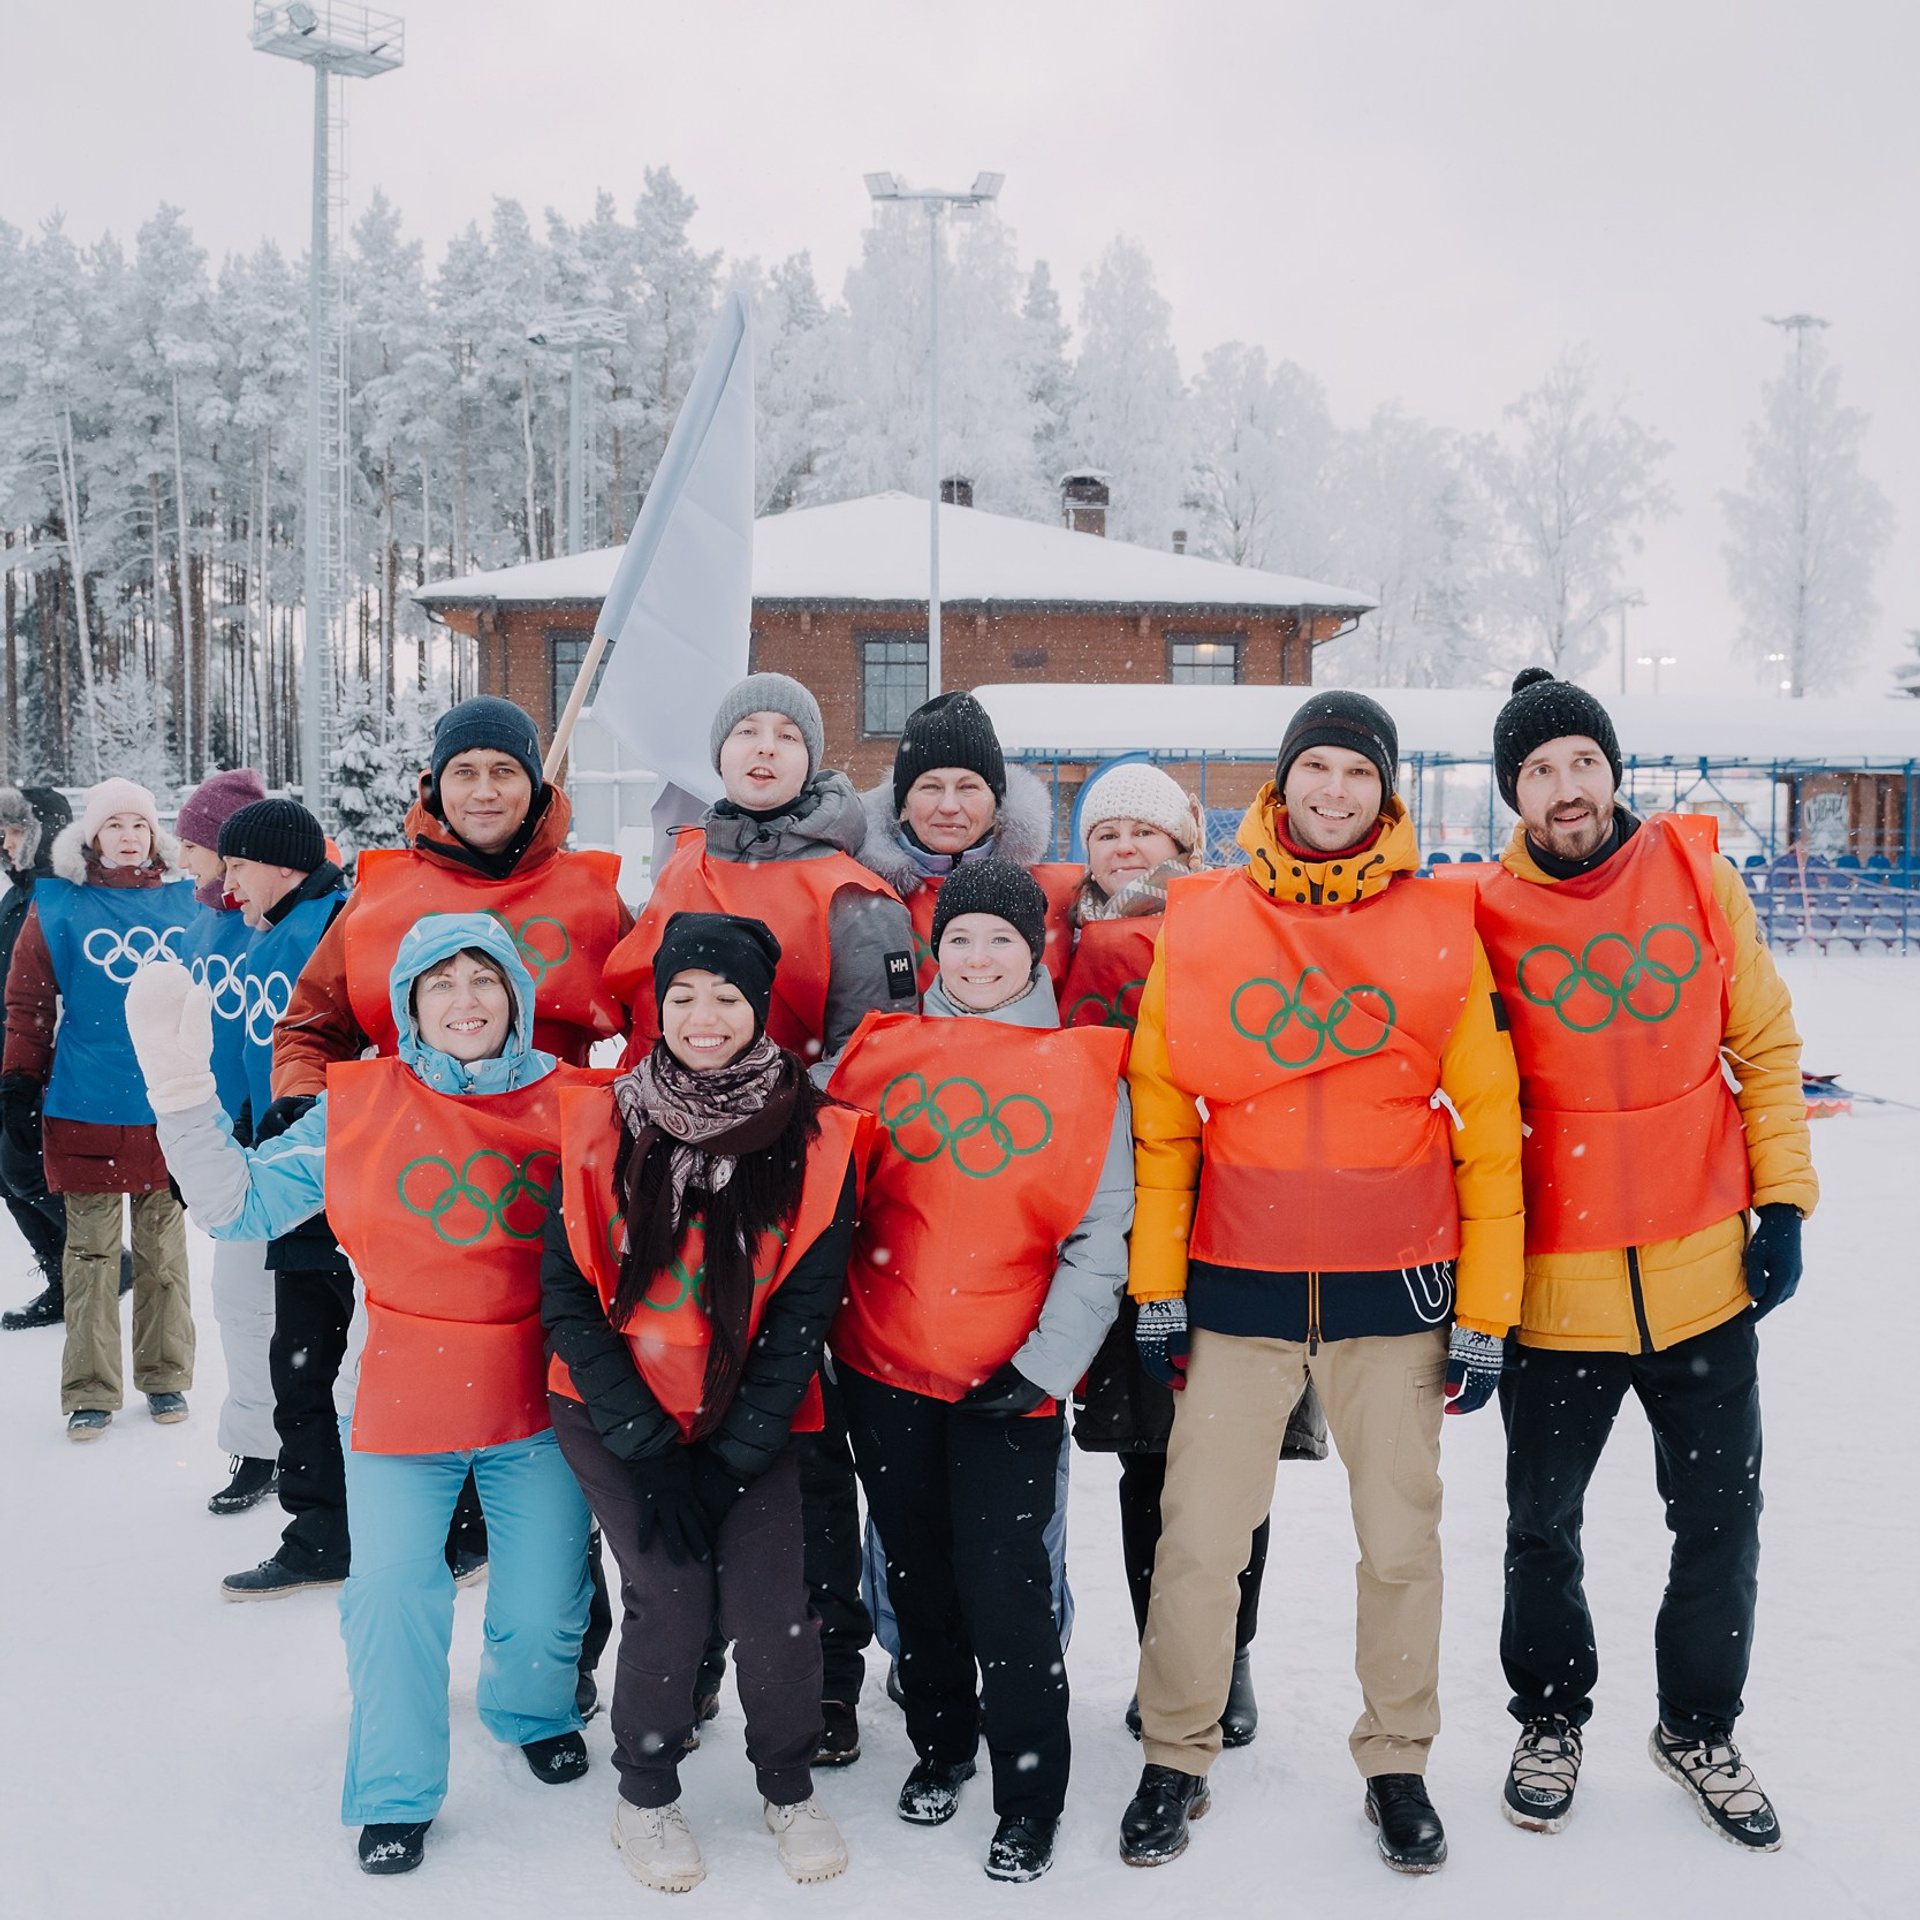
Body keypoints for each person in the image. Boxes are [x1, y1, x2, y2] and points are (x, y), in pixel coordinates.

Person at [1115, 692, 1524, 1876]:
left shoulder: (1438, 922)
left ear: (1382, 790)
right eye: (1316, 768)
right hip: (1237, 1284)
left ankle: (1397, 1759)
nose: (1334, 790)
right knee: (1199, 1538)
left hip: (1394, 1290)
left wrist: (1486, 1312)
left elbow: (1490, 1131)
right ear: (1282, 782)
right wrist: (1158, 1285)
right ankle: (1175, 1751)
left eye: (1356, 771)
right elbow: (1162, 1121)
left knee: (1400, 1542)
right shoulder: (1204, 918)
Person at [127, 913, 599, 1877]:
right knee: (389, 1599)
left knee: (549, 1594)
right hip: (399, 1397)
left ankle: (532, 1709)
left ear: (515, 994)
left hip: (538, 1400)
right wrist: (182, 1097)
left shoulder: (578, 1101)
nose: (464, 1001)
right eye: (440, 983)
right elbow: (238, 1206)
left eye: (483, 979)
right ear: (408, 1006)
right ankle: (394, 1788)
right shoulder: (361, 1104)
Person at [1467, 669, 1817, 1850]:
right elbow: (1456, 1099)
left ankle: (1699, 1727)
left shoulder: (1698, 877)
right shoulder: (1484, 915)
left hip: (1703, 1278)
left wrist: (1783, 1203)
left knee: (1720, 1522)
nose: (1565, 787)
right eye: (1538, 770)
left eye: (1582, 761)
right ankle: (1550, 1719)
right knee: (1541, 1528)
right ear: (1513, 792)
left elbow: (1763, 1044)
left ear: (1612, 769)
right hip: (1555, 1295)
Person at [603, 672, 917, 1767]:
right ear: (721, 755)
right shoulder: (683, 863)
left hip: (792, 1187)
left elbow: (877, 1057)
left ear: (815, 756)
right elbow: (644, 1013)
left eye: (790, 732)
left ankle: (824, 1676)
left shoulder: (853, 892)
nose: (767, 749)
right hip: (669, 1181)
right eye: (748, 732)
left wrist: (779, 1145)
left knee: (800, 1441)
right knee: (682, 1417)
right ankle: (685, 1662)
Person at [268, 697, 629, 1642]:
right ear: (434, 786)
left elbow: (656, 1017)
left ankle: (560, 1653)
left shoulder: (589, 895)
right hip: (419, 1198)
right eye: (464, 772)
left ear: (536, 786)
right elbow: (311, 1024)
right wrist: (309, 1103)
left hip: (543, 1197)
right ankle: (402, 1611)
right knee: (417, 1434)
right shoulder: (381, 897)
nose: (484, 790)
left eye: (504, 771)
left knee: (561, 1426)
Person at [827, 859, 1134, 1883]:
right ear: (935, 948)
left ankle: (1030, 1791)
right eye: (960, 937)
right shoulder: (879, 1053)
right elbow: (828, 1194)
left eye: (1002, 937)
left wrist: (1043, 1369)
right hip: (884, 1365)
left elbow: (1099, 1242)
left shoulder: (1081, 1071)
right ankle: (942, 1742)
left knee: (1007, 1585)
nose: (979, 956)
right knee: (915, 1570)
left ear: (1036, 949)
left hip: (1010, 1380)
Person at [543, 911, 862, 1893]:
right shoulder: (599, 1123)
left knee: (772, 1607)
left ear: (760, 1009)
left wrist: (730, 1452)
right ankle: (644, 1796)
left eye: (726, 996)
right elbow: (569, 1297)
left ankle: (788, 1784)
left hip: (748, 1416)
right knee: (672, 1592)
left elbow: (803, 1313)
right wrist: (649, 1450)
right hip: (614, 1412)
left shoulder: (815, 1138)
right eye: (681, 995)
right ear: (657, 1007)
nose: (703, 1014)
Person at [1063, 759, 1328, 1750]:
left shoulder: (1228, 920)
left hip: (1230, 1222)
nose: (1124, 846)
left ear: (1183, 840)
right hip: (1119, 1230)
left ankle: (1229, 1650)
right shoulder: (1061, 941)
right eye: (1105, 833)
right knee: (1149, 1463)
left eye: (1144, 830)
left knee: (1230, 1458)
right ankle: (1166, 1655)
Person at [2, 778, 197, 1441]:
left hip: (167, 1105)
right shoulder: (59, 904)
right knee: (88, 1256)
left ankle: (165, 1375)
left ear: (154, 833)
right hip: (85, 1102)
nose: (128, 836)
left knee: (163, 1254)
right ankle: (90, 1390)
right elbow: (28, 1005)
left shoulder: (188, 901)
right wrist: (19, 1082)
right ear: (91, 835)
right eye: (114, 824)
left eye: (138, 824)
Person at [214, 798, 356, 1584]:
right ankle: (319, 1536)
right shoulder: (265, 935)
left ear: (282, 864)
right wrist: (239, 1135)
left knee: (352, 1368)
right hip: (281, 1170)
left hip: (340, 1172)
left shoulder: (342, 924)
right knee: (298, 1365)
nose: (227, 885)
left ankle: (441, 1526)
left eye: (237, 866)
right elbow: (253, 1052)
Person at [175, 768, 278, 1514]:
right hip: (227, 1137)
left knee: (300, 1307)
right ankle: (258, 1443)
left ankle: (321, 1440)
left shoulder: (276, 922)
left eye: (192, 844)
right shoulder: (200, 922)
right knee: (240, 1303)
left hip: (285, 1137)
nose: (181, 859)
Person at [856, 691, 1080, 994]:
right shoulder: (861, 894)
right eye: (931, 787)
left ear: (997, 805)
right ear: (903, 805)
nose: (949, 806)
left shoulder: (1062, 896)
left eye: (968, 787)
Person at [0, 784, 88, 1332]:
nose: (5, 844)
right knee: (7, 1173)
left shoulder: (58, 897)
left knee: (24, 1170)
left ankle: (98, 1259)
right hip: (11, 1054)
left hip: (49, 1060)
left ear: (41, 833)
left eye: (13, 832)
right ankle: (64, 1275)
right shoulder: (17, 896)